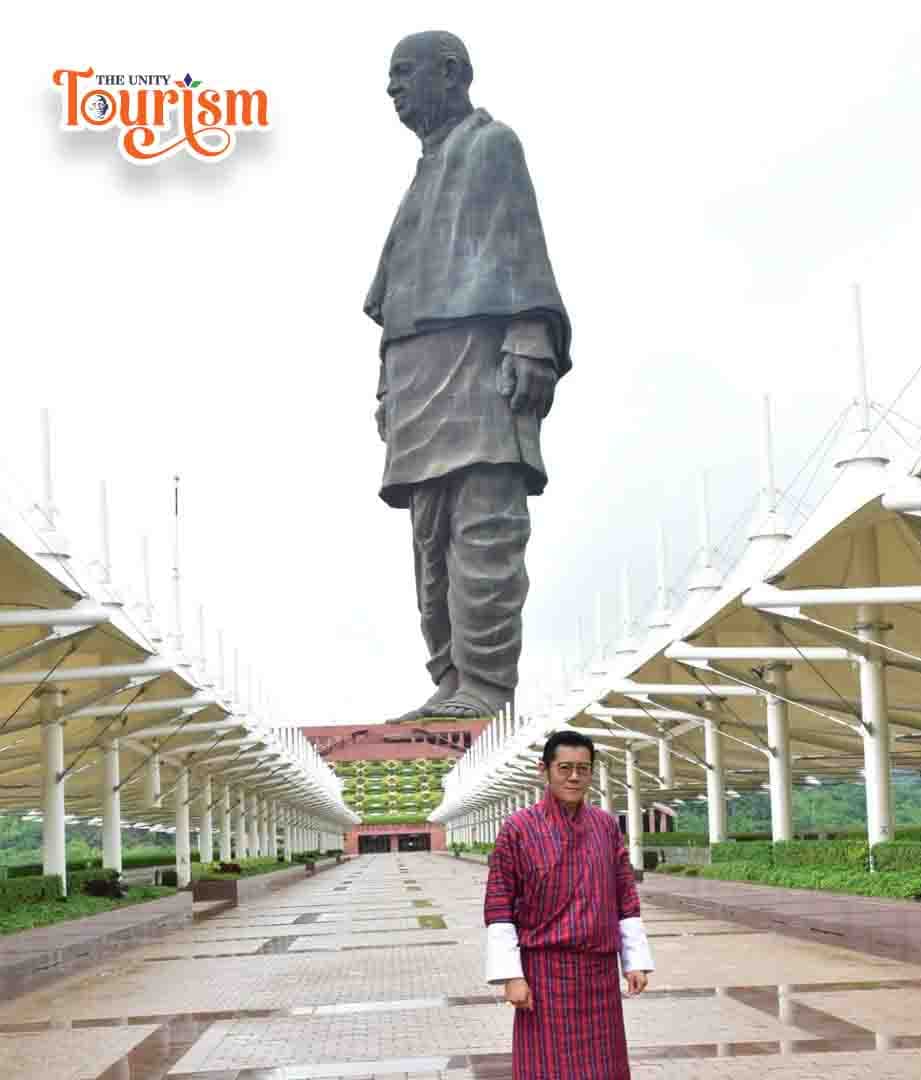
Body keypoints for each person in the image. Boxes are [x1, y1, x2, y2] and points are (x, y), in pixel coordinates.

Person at [365, 31, 571, 721]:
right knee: (430, 542)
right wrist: (387, 388)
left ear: (451, 74)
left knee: (484, 525)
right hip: (418, 373)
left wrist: (530, 334)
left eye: (403, 74)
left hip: (478, 359)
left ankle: (486, 685)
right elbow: (393, 296)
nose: (391, 88)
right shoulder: (425, 169)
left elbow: (519, 243)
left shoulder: (491, 144)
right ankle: (453, 679)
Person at [483, 731, 653, 1079]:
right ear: (543, 770)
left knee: (604, 1069)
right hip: (544, 975)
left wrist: (634, 961)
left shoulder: (605, 826)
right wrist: (512, 976)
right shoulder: (518, 829)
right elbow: (500, 904)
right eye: (565, 768)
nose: (574, 777)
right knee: (546, 1068)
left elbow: (625, 895)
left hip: (599, 973)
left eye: (583, 769)